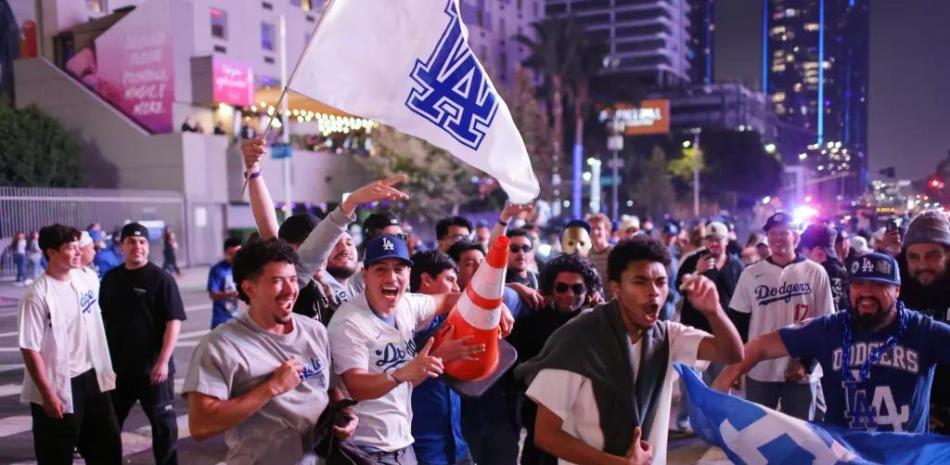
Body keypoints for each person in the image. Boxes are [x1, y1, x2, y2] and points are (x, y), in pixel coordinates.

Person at [516, 236, 744, 465]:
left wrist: (714, 311)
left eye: (661, 282)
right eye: (640, 281)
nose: (653, 291)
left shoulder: (667, 337)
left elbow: (732, 354)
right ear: (615, 286)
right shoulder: (577, 339)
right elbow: (546, 435)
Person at [713, 252, 950, 433]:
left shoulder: (923, 330)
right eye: (858, 284)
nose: (866, 292)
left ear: (897, 290)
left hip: (904, 456)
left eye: (878, 284)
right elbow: (760, 346)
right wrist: (718, 389)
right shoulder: (829, 328)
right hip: (844, 453)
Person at [327, 235, 512, 464]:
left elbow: (447, 299)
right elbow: (356, 386)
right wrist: (398, 374)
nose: (391, 277)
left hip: (402, 442)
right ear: (365, 274)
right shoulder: (349, 322)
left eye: (399, 269)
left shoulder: (406, 304)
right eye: (381, 269)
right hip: (364, 447)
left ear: (409, 274)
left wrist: (494, 305)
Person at [184, 238, 357, 465]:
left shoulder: (314, 331)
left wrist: (346, 416)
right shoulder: (220, 345)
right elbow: (201, 425)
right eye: (277, 281)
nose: (290, 290)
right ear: (249, 288)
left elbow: (332, 390)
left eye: (293, 280)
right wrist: (272, 387)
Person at [242, 136, 408, 324]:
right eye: (329, 242)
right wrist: (254, 172)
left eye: (348, 242)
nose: (341, 248)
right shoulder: (296, 283)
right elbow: (270, 230)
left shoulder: (359, 285)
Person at [18, 224, 122, 465]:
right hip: (59, 384)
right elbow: (30, 348)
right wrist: (48, 394)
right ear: (51, 253)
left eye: (78, 247)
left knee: (107, 447)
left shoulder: (83, 279)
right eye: (70, 248)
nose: (78, 252)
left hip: (92, 376)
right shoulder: (37, 296)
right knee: (57, 453)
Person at [728, 213, 835, 421]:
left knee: (803, 436)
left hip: (801, 369)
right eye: (772, 233)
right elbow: (739, 323)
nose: (778, 238)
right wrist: (736, 366)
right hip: (759, 368)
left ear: (795, 237)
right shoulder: (751, 273)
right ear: (766, 238)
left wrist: (807, 363)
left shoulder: (816, 272)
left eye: (784, 233)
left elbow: (825, 324)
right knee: (757, 433)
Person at [100, 222, 186, 465]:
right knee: (108, 425)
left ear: (148, 246)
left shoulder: (161, 279)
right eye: (131, 242)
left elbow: (173, 322)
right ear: (122, 246)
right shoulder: (110, 279)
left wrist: (162, 362)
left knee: (164, 427)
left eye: (141, 242)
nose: (136, 246)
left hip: (153, 370)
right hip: (118, 371)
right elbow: (102, 321)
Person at [508, 254, 601, 465]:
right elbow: (516, 370)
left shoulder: (598, 323)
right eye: (562, 287)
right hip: (539, 419)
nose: (569, 294)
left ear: (588, 292)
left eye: (577, 288)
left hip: (583, 421)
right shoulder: (532, 323)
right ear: (551, 288)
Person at [445, 239, 524, 465]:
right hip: (458, 420)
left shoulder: (505, 299)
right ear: (454, 270)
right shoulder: (439, 310)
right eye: (470, 263)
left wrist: (516, 290)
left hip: (497, 413)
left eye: (482, 263)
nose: (478, 269)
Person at [408, 251, 483, 465]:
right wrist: (438, 355)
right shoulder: (402, 326)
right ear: (426, 279)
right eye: (450, 280)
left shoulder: (455, 322)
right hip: (420, 446)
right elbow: (394, 382)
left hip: (456, 444)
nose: (456, 289)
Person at [898, 210, 950, 434]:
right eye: (914, 257)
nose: (922, 265)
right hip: (904, 408)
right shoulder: (894, 291)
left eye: (931, 256)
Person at [675, 221, 744, 384]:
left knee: (721, 388)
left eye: (718, 239)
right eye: (709, 239)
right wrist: (697, 271)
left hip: (723, 335)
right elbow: (680, 288)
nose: (713, 244)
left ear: (727, 241)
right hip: (696, 336)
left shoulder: (736, 266)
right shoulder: (692, 260)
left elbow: (742, 303)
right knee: (693, 392)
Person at [801, 223, 850, 312]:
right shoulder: (794, 275)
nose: (825, 258)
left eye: (829, 254)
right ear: (805, 250)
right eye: (820, 254)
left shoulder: (836, 272)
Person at [207, 238, 243, 329]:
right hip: (222, 320)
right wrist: (231, 294)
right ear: (225, 253)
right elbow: (213, 295)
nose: (235, 257)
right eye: (231, 254)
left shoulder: (244, 268)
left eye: (238, 253)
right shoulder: (217, 270)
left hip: (240, 318)